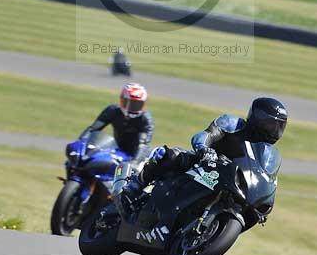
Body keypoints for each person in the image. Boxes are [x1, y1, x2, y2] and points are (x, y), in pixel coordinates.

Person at [121, 96, 288, 214]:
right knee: (169, 155)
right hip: (203, 164)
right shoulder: (234, 124)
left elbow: (268, 176)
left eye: (279, 126)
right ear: (257, 117)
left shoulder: (269, 153)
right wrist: (203, 148)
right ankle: (135, 186)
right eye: (270, 124)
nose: (274, 130)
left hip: (231, 183)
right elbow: (205, 135)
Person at [79, 82, 153, 164]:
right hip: (117, 150)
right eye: (129, 103)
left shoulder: (145, 119)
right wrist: (80, 144)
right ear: (122, 100)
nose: (133, 108)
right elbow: (93, 129)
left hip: (137, 157)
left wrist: (134, 162)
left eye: (137, 105)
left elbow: (143, 144)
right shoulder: (112, 111)